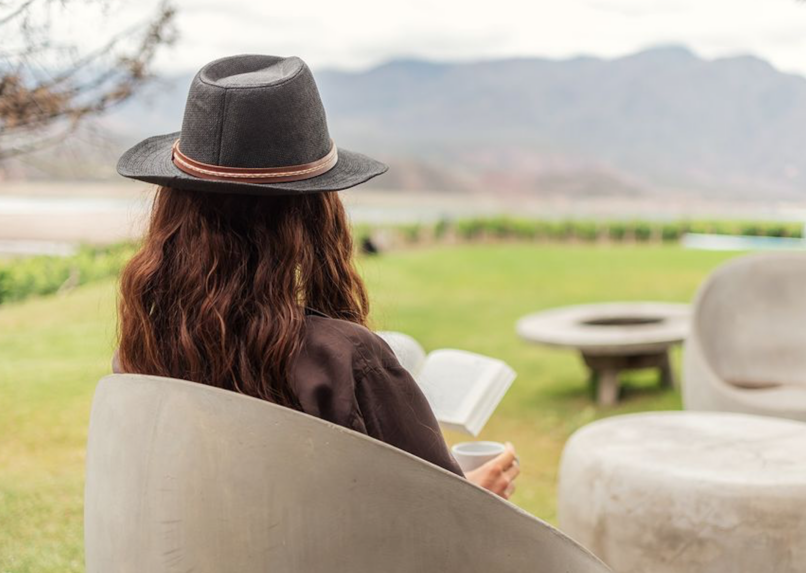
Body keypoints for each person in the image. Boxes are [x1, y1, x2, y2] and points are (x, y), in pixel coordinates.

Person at [112, 54, 519, 499]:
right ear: (311, 214)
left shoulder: (141, 354)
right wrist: (480, 496)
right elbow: (443, 520)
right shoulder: (343, 360)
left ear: (175, 211)